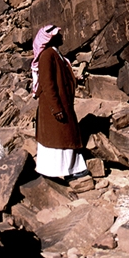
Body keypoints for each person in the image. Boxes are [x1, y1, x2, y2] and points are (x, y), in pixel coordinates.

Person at [32, 24, 87, 180]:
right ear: (51, 38)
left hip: (60, 102)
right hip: (55, 104)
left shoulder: (55, 54)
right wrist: (56, 108)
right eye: (58, 35)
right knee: (60, 136)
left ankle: (68, 169)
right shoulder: (47, 55)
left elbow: (59, 78)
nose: (62, 37)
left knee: (61, 136)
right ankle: (66, 170)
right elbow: (47, 84)